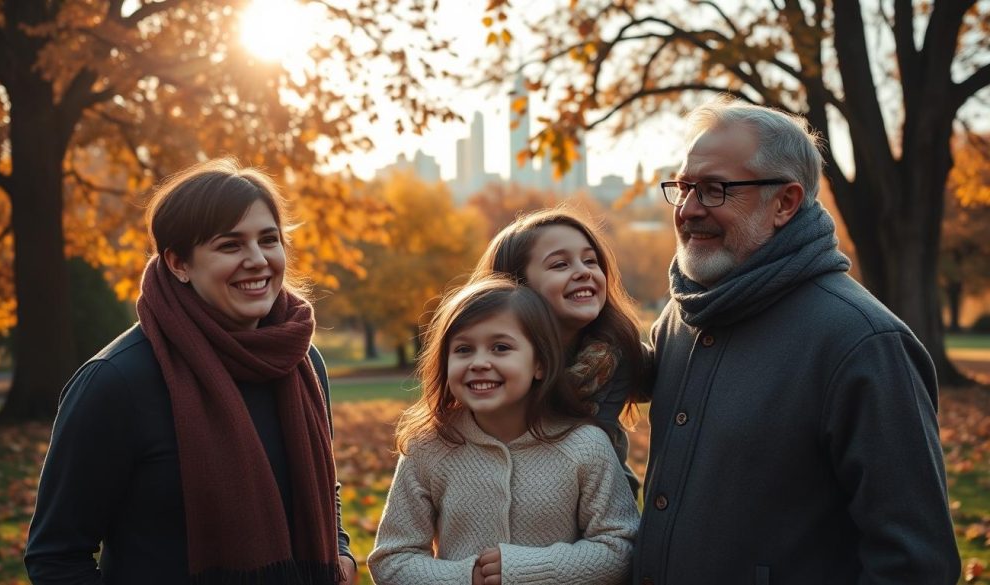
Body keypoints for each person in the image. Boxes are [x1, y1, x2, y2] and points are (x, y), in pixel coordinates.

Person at [634, 97, 960, 584]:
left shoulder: (864, 342)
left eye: (714, 190)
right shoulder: (681, 317)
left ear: (784, 202)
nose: (688, 209)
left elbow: (915, 564)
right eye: (682, 187)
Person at [25, 158, 357, 585]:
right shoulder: (116, 382)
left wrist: (341, 553)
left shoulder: (302, 362)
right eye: (230, 245)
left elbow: (320, 486)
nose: (257, 260)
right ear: (179, 263)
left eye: (268, 240)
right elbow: (56, 556)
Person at [368, 277, 639, 585]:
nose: (479, 362)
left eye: (501, 348)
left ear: (539, 363)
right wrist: (466, 577)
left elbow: (619, 548)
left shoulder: (585, 446)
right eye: (464, 349)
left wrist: (529, 570)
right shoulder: (428, 447)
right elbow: (391, 560)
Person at [469, 208, 648, 496]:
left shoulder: (617, 355)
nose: (583, 271)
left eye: (590, 261)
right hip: (510, 506)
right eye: (560, 265)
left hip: (601, 516)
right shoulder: (491, 365)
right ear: (517, 286)